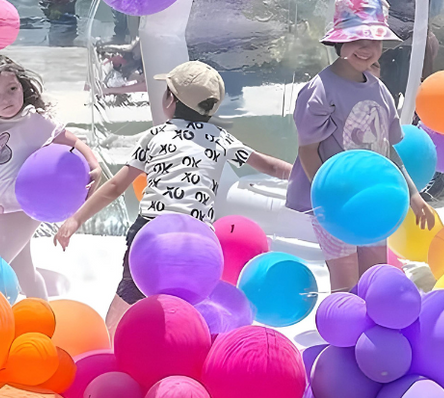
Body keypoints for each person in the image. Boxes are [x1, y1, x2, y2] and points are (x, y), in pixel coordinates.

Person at [55, 60, 291, 331]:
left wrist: (76, 219)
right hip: (198, 235)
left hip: (153, 230)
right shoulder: (220, 138)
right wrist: (306, 176)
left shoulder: (155, 136)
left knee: (129, 293)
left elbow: (114, 187)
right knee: (189, 300)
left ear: (170, 99)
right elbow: (270, 166)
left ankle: (110, 347)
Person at [285, 0, 436, 293]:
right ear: (339, 43)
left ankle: (373, 332)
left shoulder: (380, 91)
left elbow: (389, 150)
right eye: (357, 40)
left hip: (373, 197)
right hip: (334, 201)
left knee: (376, 271)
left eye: (374, 41)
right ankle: (345, 331)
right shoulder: (320, 91)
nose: (366, 48)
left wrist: (414, 194)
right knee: (344, 275)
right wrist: (327, 198)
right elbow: (308, 151)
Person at [0, 55, 100, 300]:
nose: (6, 99)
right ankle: (43, 317)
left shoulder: (33, 120)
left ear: (21, 87)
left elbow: (73, 141)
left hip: (25, 206)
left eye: (12, 89)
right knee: (23, 271)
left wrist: (93, 164)